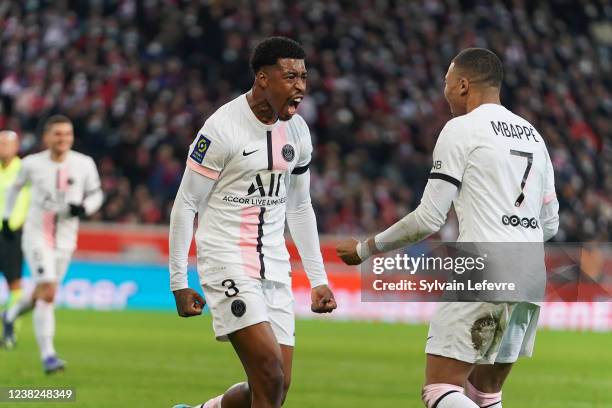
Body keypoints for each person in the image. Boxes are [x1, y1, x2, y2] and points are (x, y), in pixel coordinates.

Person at [337, 48, 559, 408]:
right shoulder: (534, 136)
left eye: (446, 83)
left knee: (440, 389)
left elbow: (429, 218)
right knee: (485, 393)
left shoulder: (461, 129)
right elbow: (551, 223)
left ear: (463, 85)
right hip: (531, 272)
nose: (444, 92)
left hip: (484, 264)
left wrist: (366, 248)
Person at [169, 36, 337, 408]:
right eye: (290, 76)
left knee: (276, 388)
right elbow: (186, 204)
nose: (300, 87)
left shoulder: (298, 132)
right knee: (269, 374)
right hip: (225, 258)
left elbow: (299, 207)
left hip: (275, 265)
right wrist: (179, 281)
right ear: (263, 79)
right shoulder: (220, 129)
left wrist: (319, 278)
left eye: (304, 77)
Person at [1, 115, 103, 374]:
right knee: (48, 292)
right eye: (58, 134)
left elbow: (97, 193)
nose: (63, 139)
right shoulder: (32, 164)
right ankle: (48, 356)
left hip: (66, 239)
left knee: (41, 291)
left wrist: (86, 207)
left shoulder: (84, 163)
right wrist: (7, 218)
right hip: (36, 236)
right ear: (46, 137)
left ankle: (10, 315)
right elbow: (14, 188)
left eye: (67, 134)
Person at [0, 130, 30, 335]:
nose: (2, 147)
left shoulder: (25, 170)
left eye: (5, 143)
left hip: (13, 233)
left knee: (14, 282)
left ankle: (11, 327)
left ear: (16, 147)